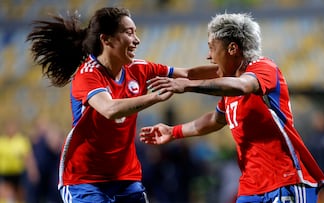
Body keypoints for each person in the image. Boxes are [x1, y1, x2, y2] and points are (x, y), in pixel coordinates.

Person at [26, 7, 217, 203]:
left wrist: (234, 69)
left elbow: (189, 74)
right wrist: (155, 97)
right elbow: (110, 109)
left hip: (125, 177)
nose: (137, 39)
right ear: (106, 39)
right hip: (84, 180)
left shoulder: (139, 69)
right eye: (129, 32)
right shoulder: (88, 74)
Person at [140, 12, 324, 202]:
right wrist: (173, 132)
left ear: (232, 48)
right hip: (250, 188)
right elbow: (215, 120)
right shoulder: (229, 88)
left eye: (212, 48)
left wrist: (188, 85)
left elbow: (243, 86)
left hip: (286, 180)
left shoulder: (263, 68)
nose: (209, 56)